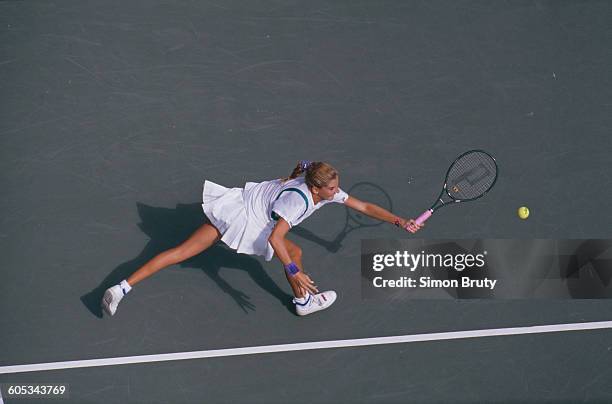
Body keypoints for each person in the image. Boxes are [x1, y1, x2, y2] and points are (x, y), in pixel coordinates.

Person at [102, 161, 422, 317]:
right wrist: (295, 271)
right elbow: (274, 238)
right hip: (250, 221)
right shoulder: (299, 201)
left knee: (180, 251)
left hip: (238, 205)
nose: (336, 191)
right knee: (293, 252)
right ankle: (303, 300)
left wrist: (399, 221)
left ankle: (121, 288)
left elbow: (362, 205)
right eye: (331, 189)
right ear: (315, 189)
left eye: (336, 185)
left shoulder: (312, 179)